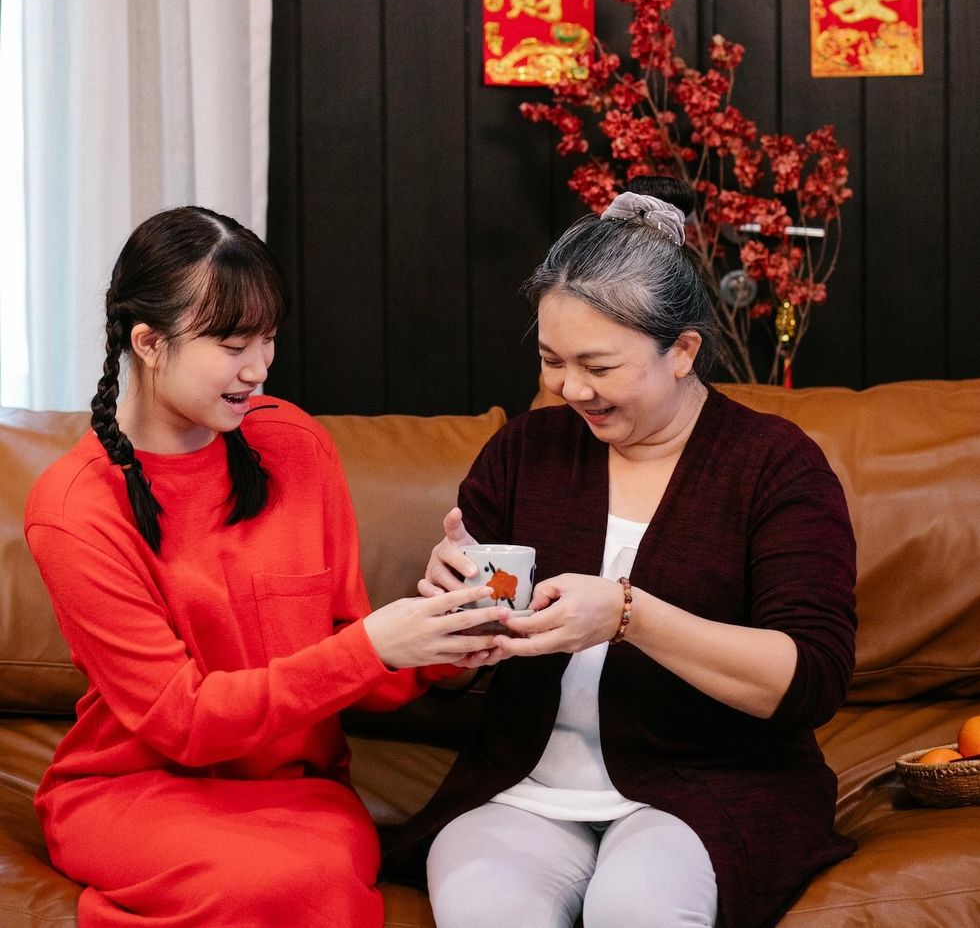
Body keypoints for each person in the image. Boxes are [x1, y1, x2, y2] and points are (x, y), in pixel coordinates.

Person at [396, 177, 857, 928]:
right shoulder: (525, 452)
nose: (570, 389)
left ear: (681, 352)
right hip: (524, 786)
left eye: (599, 366)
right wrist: (450, 622)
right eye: (552, 359)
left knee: (634, 909)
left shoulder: (775, 465)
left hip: (710, 786)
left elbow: (811, 680)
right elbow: (446, 674)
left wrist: (629, 615)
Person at [24, 206, 505, 928]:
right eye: (232, 344)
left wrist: (447, 637)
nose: (260, 367)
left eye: (269, 338)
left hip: (296, 790)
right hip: (132, 789)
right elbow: (183, 721)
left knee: (314, 880)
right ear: (149, 343)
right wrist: (372, 645)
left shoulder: (294, 445)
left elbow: (351, 659)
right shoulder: (72, 505)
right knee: (266, 886)